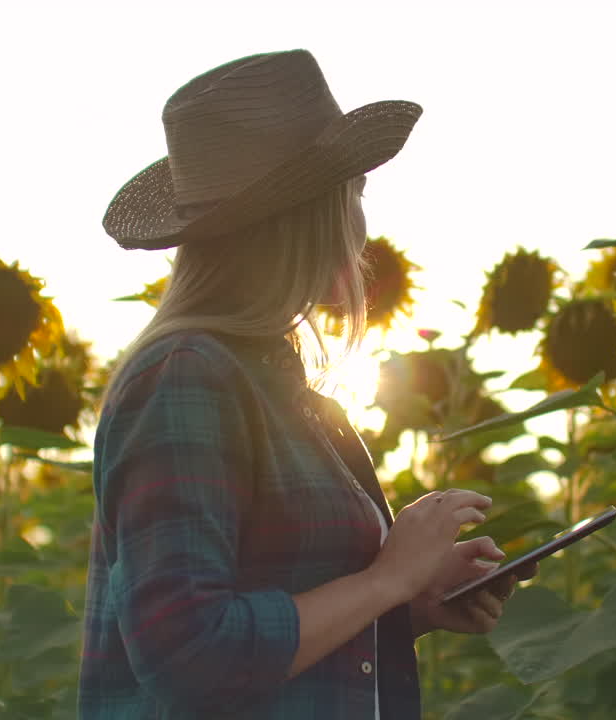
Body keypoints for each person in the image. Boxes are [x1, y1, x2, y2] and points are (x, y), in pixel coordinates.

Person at [79, 49, 534, 720]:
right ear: (312, 214)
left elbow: (270, 633)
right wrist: (388, 578)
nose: (362, 228)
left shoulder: (278, 386)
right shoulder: (185, 378)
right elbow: (190, 658)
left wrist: (405, 608)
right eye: (353, 194)